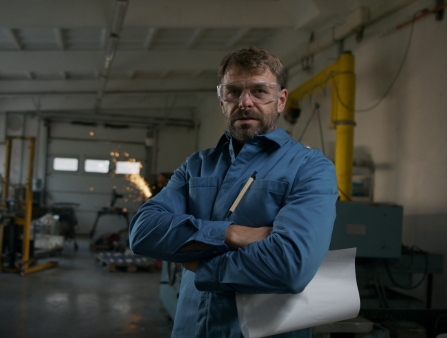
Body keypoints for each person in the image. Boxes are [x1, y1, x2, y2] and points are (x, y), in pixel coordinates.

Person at [129, 46, 338, 337]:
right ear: (221, 101)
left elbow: (291, 265)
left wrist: (200, 266)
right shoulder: (197, 165)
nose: (245, 102)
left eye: (259, 91)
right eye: (233, 92)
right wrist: (232, 234)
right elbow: (142, 232)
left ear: (281, 100)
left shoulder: (310, 167)